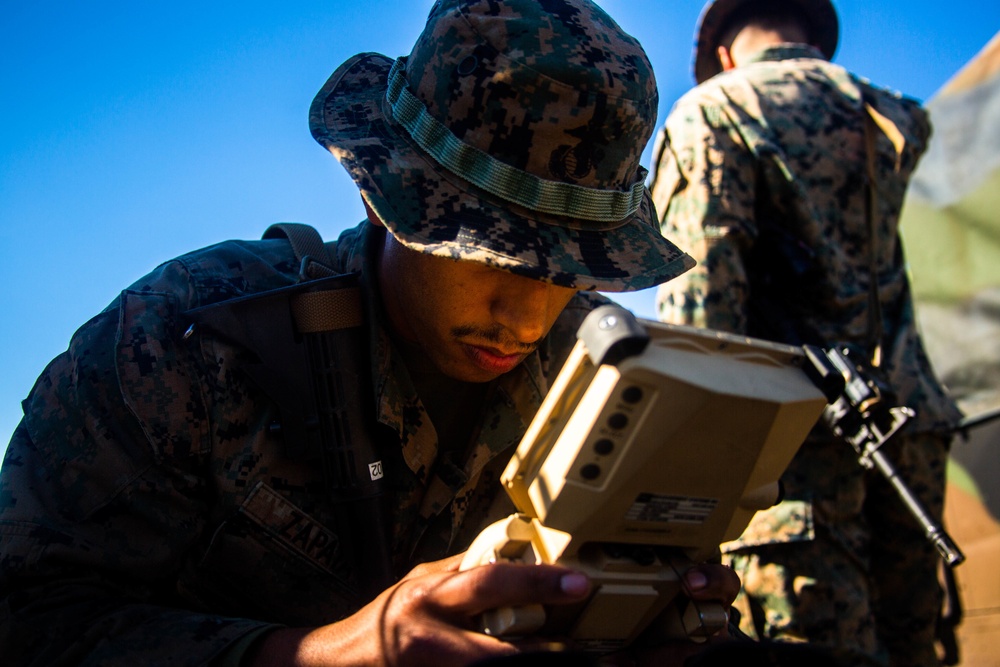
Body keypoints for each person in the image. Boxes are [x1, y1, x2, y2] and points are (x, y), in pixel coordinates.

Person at [0, 1, 751, 665]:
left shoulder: (605, 381)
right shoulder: (188, 336)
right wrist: (321, 654)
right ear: (389, 197)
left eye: (569, 272)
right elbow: (27, 619)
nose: (527, 318)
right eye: (494, 257)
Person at [648, 0, 963, 665]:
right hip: (908, 434)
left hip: (791, 456)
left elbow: (700, 312)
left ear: (726, 52)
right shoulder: (889, 114)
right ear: (811, 35)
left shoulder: (713, 109)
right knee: (915, 646)